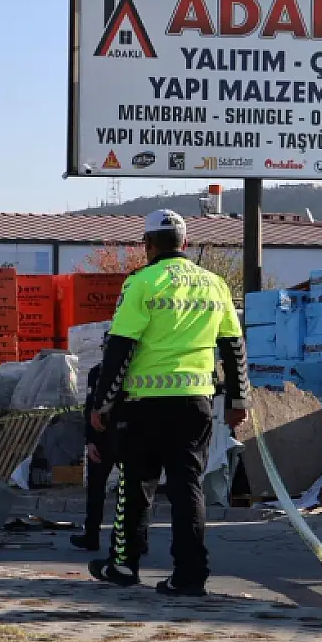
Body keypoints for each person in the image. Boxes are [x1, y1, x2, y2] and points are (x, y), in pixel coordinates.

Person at [85, 209, 250, 596]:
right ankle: (190, 574)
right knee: (187, 487)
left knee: (134, 485)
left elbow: (121, 347)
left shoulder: (142, 283)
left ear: (147, 245)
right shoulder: (215, 284)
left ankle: (124, 565)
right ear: (185, 244)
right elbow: (234, 346)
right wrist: (239, 399)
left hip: (144, 404)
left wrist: (102, 403)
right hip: (196, 403)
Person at [70, 355, 115, 552]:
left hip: (126, 437)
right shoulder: (97, 371)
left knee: (132, 491)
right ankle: (91, 535)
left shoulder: (136, 372)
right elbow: (90, 407)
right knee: (96, 490)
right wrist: (90, 440)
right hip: (101, 439)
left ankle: (135, 539)